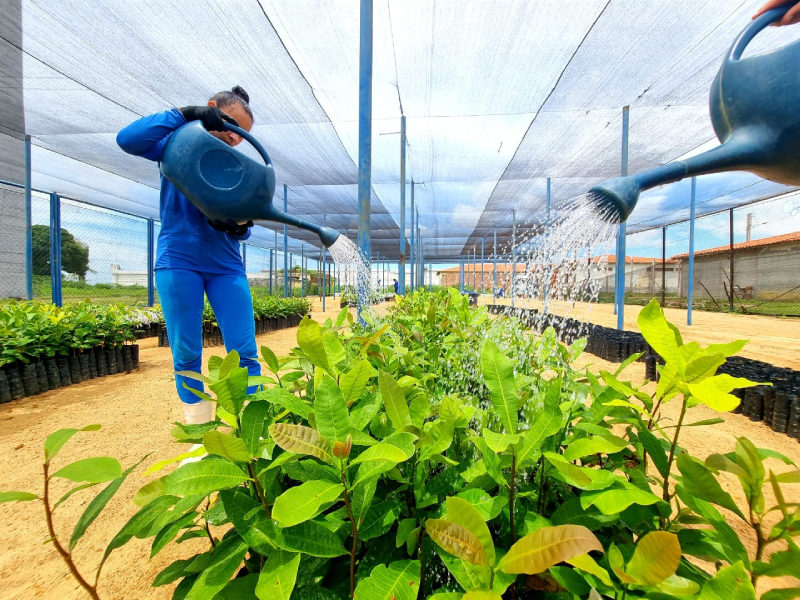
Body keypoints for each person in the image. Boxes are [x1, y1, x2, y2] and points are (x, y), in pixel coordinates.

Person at [117, 86, 261, 425]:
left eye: (241, 134)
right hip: (179, 261)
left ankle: (257, 431)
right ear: (212, 110)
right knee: (186, 354)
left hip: (226, 266)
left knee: (245, 351)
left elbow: (245, 216)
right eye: (230, 124)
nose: (234, 136)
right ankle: (199, 432)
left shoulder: (237, 166)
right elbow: (128, 139)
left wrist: (242, 228)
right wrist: (186, 113)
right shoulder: (177, 144)